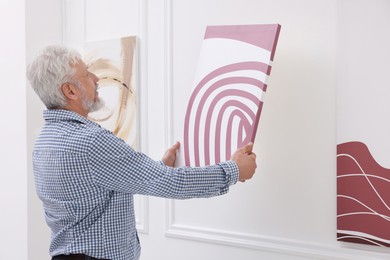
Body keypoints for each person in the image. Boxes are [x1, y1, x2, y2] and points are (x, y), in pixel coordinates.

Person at [27, 45, 257, 260]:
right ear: (69, 91)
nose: (96, 79)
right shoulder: (90, 142)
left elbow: (94, 192)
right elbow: (172, 183)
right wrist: (234, 170)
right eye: (87, 74)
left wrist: (160, 167)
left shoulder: (44, 142)